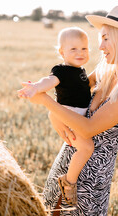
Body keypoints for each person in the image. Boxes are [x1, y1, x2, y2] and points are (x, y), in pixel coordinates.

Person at [19, 6, 118, 216]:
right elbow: (69, 86)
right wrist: (50, 108)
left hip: (90, 179)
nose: (100, 46)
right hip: (67, 158)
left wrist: (47, 103)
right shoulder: (106, 72)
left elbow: (88, 129)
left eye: (106, 38)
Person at [17, 27, 95, 206]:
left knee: (83, 147)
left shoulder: (81, 71)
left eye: (84, 48)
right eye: (73, 49)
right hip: (69, 114)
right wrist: (36, 87)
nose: (80, 53)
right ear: (62, 52)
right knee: (86, 148)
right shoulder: (62, 70)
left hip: (76, 116)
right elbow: (49, 81)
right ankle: (69, 182)